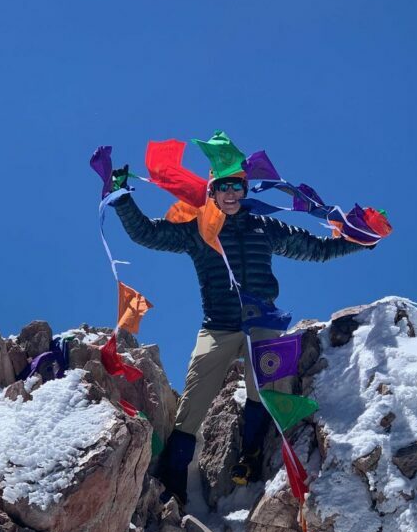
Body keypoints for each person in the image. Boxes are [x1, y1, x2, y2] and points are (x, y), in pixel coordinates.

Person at [111, 167, 368, 504]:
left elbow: (316, 249)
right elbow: (146, 234)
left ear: (245, 191)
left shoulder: (264, 226)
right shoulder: (198, 229)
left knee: (268, 384)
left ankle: (250, 456)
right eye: (223, 187)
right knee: (195, 398)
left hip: (262, 319)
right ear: (212, 192)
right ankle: (173, 475)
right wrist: (122, 197)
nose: (231, 194)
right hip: (218, 325)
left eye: (237, 187)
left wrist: (361, 240)